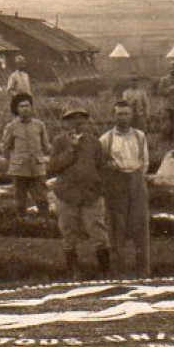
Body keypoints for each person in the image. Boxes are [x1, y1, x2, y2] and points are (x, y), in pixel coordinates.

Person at [48, 107, 111, 278]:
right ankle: (73, 271)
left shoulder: (94, 142)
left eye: (81, 119)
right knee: (69, 232)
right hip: (67, 194)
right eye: (72, 119)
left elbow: (102, 167)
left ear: (86, 122)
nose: (77, 122)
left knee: (98, 231)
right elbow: (53, 166)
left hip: (91, 194)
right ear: (66, 123)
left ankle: (105, 270)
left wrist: (100, 188)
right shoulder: (59, 142)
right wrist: (71, 149)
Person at [100, 100, 152, 276]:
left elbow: (145, 162)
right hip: (117, 185)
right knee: (116, 227)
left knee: (140, 225)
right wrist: (111, 170)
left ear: (131, 116)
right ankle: (118, 270)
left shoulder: (140, 136)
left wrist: (137, 177)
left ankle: (143, 269)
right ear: (113, 116)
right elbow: (102, 163)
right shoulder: (106, 139)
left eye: (126, 114)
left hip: (136, 182)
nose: (123, 117)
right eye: (119, 114)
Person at [0, 93, 52, 224]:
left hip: (37, 167)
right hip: (19, 169)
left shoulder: (40, 125)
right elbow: (5, 148)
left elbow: (46, 146)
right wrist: (14, 160)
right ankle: (21, 222)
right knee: (20, 198)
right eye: (21, 106)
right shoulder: (11, 126)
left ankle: (44, 221)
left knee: (41, 196)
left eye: (27, 106)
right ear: (16, 109)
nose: (25, 109)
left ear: (32, 107)